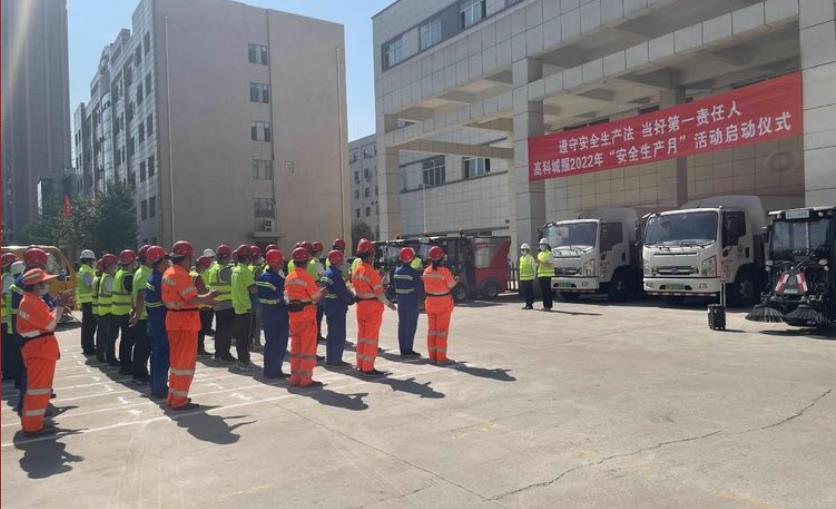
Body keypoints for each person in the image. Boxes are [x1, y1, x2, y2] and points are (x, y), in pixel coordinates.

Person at [15, 268, 74, 435]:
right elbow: (50, 325)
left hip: (39, 350)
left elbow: (46, 319)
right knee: (37, 390)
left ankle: (35, 423)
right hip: (39, 351)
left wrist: (57, 305)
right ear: (36, 285)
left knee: (40, 390)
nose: (48, 285)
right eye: (45, 282)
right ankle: (33, 426)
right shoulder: (30, 302)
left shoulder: (32, 300)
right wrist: (60, 305)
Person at [161, 241, 216, 410]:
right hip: (185, 322)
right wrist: (209, 297)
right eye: (190, 257)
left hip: (174, 320)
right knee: (184, 364)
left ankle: (173, 397)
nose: (191, 260)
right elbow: (192, 299)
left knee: (176, 363)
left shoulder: (169, 272)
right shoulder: (180, 274)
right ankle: (179, 400)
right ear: (186, 257)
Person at [351, 238, 396, 376]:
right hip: (372, 308)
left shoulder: (357, 270)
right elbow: (379, 294)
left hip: (361, 307)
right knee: (371, 338)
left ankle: (361, 365)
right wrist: (390, 304)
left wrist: (378, 278)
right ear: (370, 255)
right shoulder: (371, 272)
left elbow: (360, 288)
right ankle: (368, 367)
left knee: (362, 337)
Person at [285, 247, 322, 387]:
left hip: (293, 317)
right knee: (307, 350)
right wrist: (321, 292)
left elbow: (287, 296)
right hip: (307, 316)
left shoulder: (289, 277)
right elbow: (315, 297)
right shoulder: (307, 277)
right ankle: (306, 380)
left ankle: (295, 378)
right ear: (306, 261)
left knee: (296, 349)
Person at [257, 248, 289, 378]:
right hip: (278, 315)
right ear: (277, 262)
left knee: (269, 343)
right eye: (281, 261)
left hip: (266, 313)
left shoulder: (262, 276)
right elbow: (284, 298)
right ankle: (275, 371)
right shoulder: (276, 280)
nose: (282, 263)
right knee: (279, 343)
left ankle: (268, 369)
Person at [422, 246, 457, 364]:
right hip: (442, 303)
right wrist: (456, 280)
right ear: (441, 258)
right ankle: (441, 358)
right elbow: (451, 285)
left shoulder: (426, 271)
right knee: (441, 332)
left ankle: (432, 357)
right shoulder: (444, 271)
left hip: (430, 303)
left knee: (432, 331)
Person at [144, 246, 170, 399]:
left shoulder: (151, 277)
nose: (167, 263)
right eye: (165, 260)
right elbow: (168, 302)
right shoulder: (160, 281)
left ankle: (155, 386)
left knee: (156, 357)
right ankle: (160, 388)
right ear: (158, 261)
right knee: (162, 357)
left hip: (154, 323)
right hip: (161, 324)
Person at [320, 249, 354, 366]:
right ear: (338, 261)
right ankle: (336, 360)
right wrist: (352, 299)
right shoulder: (336, 275)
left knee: (331, 334)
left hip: (329, 306)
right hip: (337, 308)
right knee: (338, 334)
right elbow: (342, 292)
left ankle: (330, 358)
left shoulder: (326, 273)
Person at [207, 244, 236, 363]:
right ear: (227, 256)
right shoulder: (224, 270)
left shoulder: (213, 268)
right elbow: (234, 283)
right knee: (226, 331)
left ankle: (218, 353)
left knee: (219, 330)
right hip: (226, 304)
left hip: (217, 303)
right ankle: (225, 354)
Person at [230, 244, 257, 371]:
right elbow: (253, 290)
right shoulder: (245, 271)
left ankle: (242, 359)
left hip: (237, 306)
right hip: (245, 307)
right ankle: (244, 361)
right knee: (244, 337)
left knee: (240, 336)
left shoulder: (235, 269)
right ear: (248, 258)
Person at [393, 247, 423, 357]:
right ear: (411, 258)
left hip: (401, 302)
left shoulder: (396, 271)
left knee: (402, 326)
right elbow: (419, 289)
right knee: (410, 326)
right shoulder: (413, 273)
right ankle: (408, 350)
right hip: (411, 303)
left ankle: (403, 350)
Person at [128, 246, 152, 384]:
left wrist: (134, 311)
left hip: (140, 314)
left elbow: (134, 296)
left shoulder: (139, 272)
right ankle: (139, 375)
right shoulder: (145, 274)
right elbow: (141, 296)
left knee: (141, 347)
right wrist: (137, 314)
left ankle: (140, 372)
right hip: (143, 316)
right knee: (143, 348)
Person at [113, 250, 137, 375]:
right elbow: (131, 292)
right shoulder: (127, 276)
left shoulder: (118, 273)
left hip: (118, 311)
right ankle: (126, 365)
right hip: (125, 311)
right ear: (130, 262)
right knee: (128, 341)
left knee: (125, 340)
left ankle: (125, 364)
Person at [2, 253, 20, 380]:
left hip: (6, 317)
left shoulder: (4, 277)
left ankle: (8, 371)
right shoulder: (8, 278)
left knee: (7, 348)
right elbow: (6, 295)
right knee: (10, 349)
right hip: (7, 318)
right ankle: (10, 372)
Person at [98, 253, 118, 365]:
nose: (115, 268)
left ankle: (104, 356)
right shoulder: (109, 279)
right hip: (109, 312)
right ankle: (111, 358)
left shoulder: (104, 276)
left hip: (104, 311)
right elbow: (113, 292)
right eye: (114, 266)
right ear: (109, 265)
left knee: (105, 337)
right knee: (111, 337)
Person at [77, 249, 98, 355]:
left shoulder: (83, 269)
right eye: (92, 260)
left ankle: (87, 345)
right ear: (89, 260)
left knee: (87, 326)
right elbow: (90, 284)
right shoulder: (86, 271)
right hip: (89, 301)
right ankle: (88, 347)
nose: (93, 262)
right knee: (90, 326)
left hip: (86, 301)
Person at [192, 256, 213, 357]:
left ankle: (196, 349)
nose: (206, 269)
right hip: (202, 306)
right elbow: (202, 291)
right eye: (205, 267)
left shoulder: (190, 274)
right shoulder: (198, 276)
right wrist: (210, 291)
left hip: (194, 306)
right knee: (201, 331)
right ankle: (200, 349)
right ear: (201, 266)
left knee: (196, 331)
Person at [248, 245, 264, 353]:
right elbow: (261, 285)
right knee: (257, 323)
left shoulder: (247, 268)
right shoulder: (257, 269)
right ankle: (257, 344)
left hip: (247, 299)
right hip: (256, 299)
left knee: (251, 323)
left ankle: (250, 343)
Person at [537, 238, 554, 312]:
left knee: (547, 291)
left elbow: (550, 265)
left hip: (547, 275)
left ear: (546, 245)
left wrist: (542, 262)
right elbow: (539, 263)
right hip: (541, 275)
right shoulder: (540, 254)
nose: (541, 246)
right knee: (543, 291)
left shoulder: (549, 253)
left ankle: (548, 306)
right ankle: (545, 306)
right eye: (540, 245)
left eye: (542, 245)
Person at [518, 243, 536, 310]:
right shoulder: (521, 258)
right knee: (525, 292)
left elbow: (533, 267)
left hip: (529, 278)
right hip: (523, 278)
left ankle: (530, 304)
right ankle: (526, 304)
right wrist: (520, 277)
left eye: (523, 250)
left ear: (527, 250)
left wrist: (534, 276)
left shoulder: (530, 258)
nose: (522, 251)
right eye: (521, 250)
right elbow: (521, 269)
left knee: (529, 292)